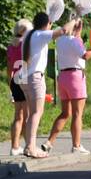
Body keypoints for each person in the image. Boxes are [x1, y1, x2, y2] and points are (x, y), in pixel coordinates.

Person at [42, 14, 91, 155]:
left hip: (62, 76)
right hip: (75, 77)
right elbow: (85, 55)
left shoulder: (60, 40)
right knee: (77, 114)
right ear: (78, 27)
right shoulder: (75, 41)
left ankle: (49, 142)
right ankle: (76, 145)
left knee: (65, 113)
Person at [19, 12, 66, 160]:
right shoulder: (40, 35)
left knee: (31, 114)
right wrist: (75, 20)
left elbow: (51, 31)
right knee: (36, 113)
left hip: (24, 78)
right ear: (46, 24)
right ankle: (31, 147)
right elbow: (63, 31)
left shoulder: (30, 34)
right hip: (35, 78)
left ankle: (29, 146)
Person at [7, 18, 31, 156]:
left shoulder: (11, 46)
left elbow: (9, 68)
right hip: (26, 79)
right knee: (28, 116)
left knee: (18, 116)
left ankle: (14, 147)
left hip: (15, 80)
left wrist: (10, 85)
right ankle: (29, 145)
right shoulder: (26, 45)